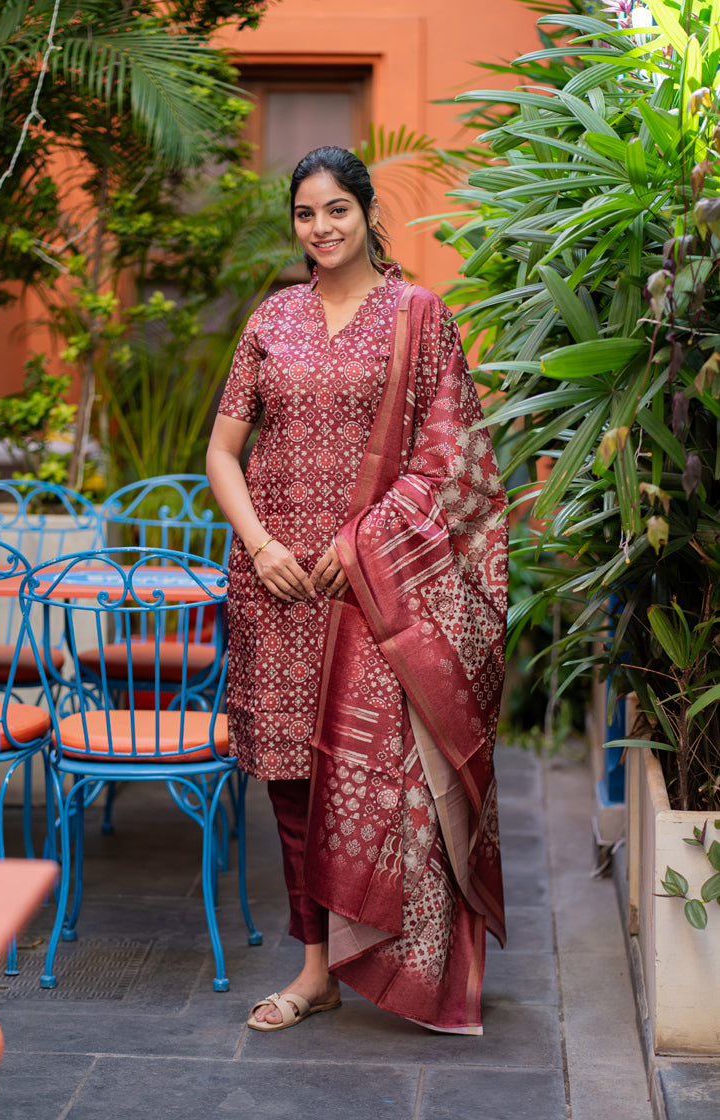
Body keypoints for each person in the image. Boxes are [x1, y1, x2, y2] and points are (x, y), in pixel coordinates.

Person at [206, 146, 508, 1035]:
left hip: (373, 587)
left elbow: (452, 460)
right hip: (277, 585)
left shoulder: (418, 315)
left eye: (337, 209)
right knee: (295, 784)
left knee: (384, 776)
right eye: (306, 213)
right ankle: (314, 970)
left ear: (367, 212)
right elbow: (224, 453)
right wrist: (257, 545)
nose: (321, 227)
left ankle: (400, 955)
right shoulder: (272, 319)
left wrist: (363, 542)